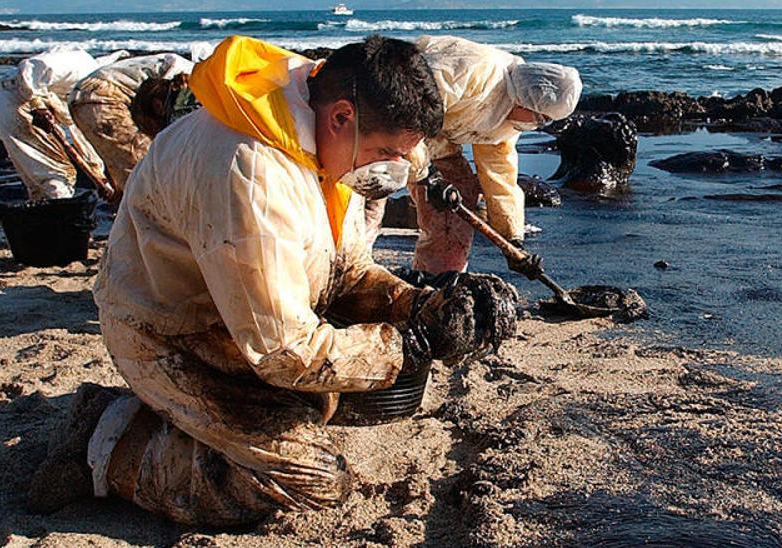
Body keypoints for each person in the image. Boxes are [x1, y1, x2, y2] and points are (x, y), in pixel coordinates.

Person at [26, 35, 518, 526]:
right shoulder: (251, 174)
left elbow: (343, 272)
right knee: (313, 478)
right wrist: (407, 346)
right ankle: (107, 442)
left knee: (333, 394)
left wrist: (423, 307)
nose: (390, 169)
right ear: (342, 116)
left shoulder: (316, 130)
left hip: (235, 310)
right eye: (384, 151)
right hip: (172, 333)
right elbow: (282, 351)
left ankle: (177, 418)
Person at [375, 35, 581, 281]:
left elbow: (500, 172)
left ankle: (438, 276)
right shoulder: (473, 72)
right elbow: (406, 112)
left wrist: (513, 240)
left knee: (460, 192)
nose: (539, 125)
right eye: (541, 118)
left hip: (435, 136)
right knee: (372, 190)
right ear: (528, 102)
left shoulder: (509, 116)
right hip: (383, 117)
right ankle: (351, 270)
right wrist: (427, 174)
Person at [0, 49, 125, 200]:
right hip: (18, 99)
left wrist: (103, 180)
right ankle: (62, 216)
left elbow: (83, 140)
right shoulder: (79, 62)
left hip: (8, 102)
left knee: (36, 182)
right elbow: (31, 67)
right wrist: (37, 105)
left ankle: (44, 216)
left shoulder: (81, 88)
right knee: (57, 173)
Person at [69, 53, 194, 194]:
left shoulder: (182, 67)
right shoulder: (189, 77)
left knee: (130, 163)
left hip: (87, 94)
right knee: (144, 168)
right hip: (103, 96)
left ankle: (124, 200)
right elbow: (177, 124)